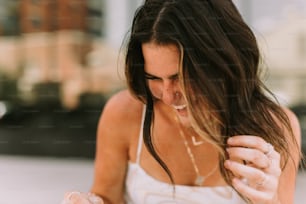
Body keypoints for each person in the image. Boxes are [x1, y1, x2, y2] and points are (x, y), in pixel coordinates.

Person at [62, 0, 302, 203]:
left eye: (180, 78)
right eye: (154, 78)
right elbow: (106, 198)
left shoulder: (275, 127)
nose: (167, 95)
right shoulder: (124, 113)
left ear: (220, 60)